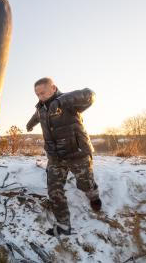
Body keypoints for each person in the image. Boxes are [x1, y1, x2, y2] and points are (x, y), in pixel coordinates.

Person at [26, 77, 102, 236]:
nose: (40, 96)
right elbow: (37, 116)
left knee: (85, 184)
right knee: (54, 191)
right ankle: (63, 225)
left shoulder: (68, 101)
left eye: (43, 92)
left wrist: (61, 102)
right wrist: (30, 124)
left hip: (77, 153)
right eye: (37, 94)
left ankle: (93, 195)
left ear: (53, 88)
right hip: (55, 157)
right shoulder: (41, 108)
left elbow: (90, 95)